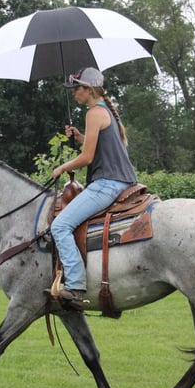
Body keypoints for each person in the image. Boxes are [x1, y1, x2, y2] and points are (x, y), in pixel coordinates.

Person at [50, 67, 138, 308]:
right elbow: (105, 147)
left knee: (59, 226)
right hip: (122, 181)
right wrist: (79, 136)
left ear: (87, 89)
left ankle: (75, 286)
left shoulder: (94, 113)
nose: (74, 94)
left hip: (106, 184)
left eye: (76, 89)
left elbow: (87, 158)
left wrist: (61, 168)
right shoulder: (106, 111)